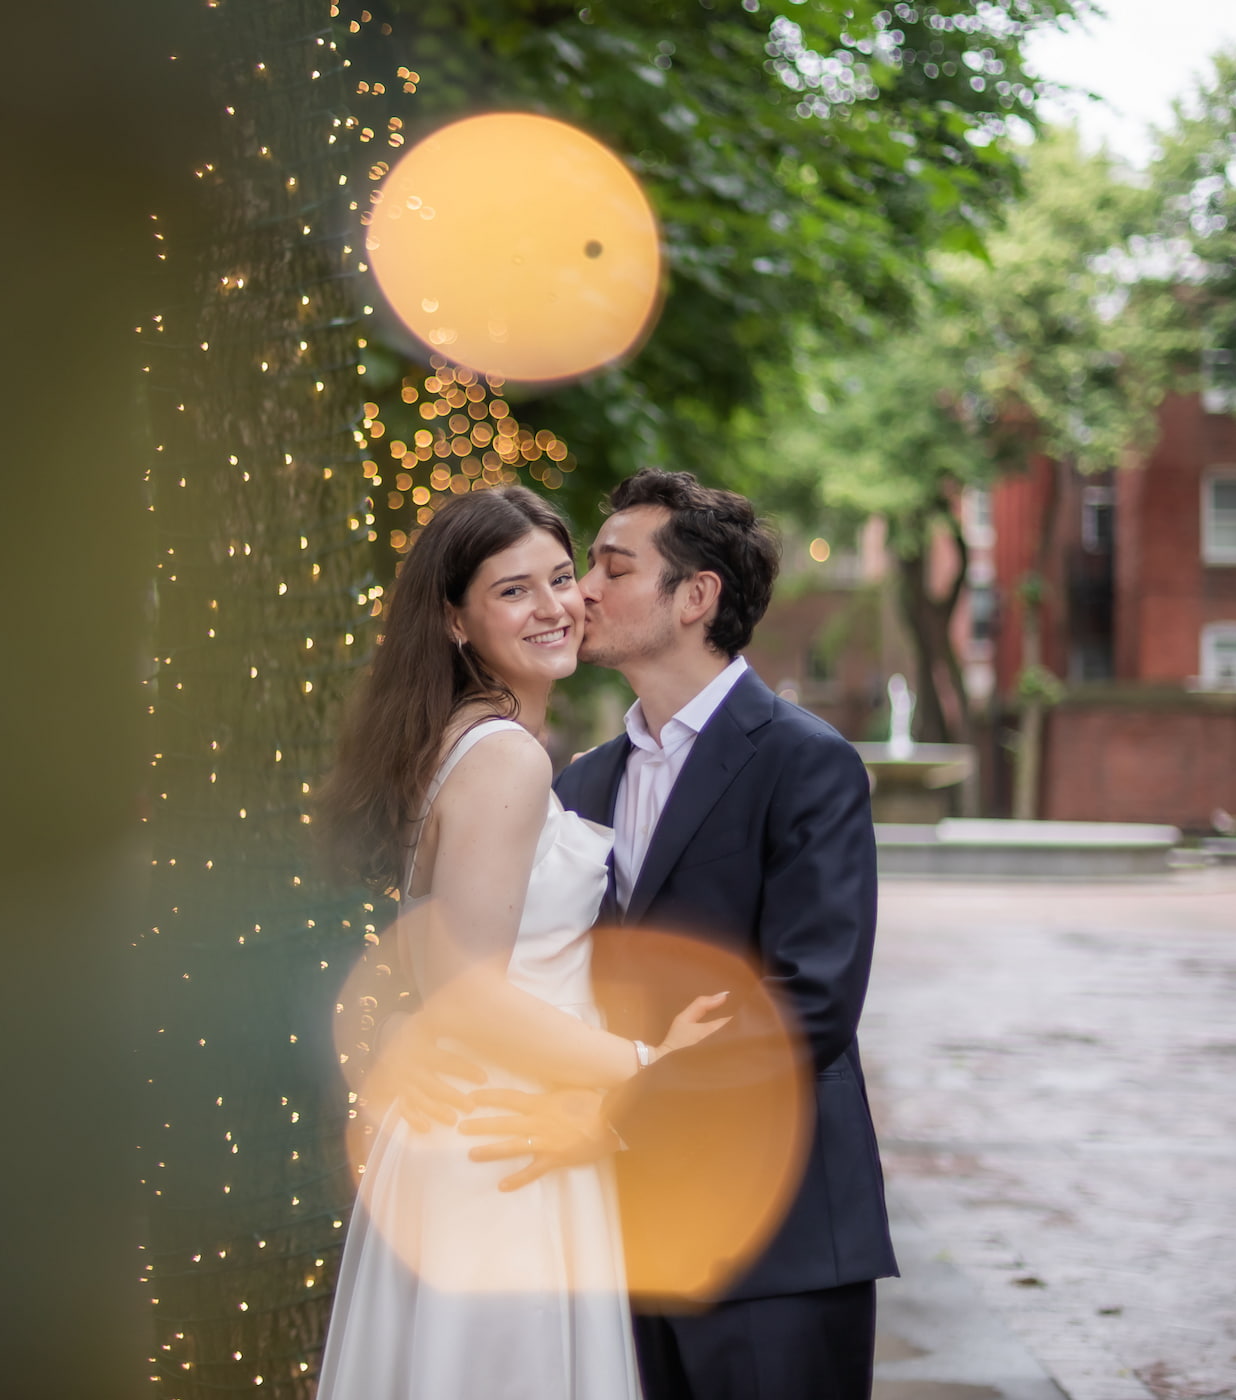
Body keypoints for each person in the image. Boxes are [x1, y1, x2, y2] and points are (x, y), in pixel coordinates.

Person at [461, 469, 899, 1400]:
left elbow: (806, 1006)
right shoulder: (579, 785)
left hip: (773, 1246)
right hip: (618, 1244)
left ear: (696, 597)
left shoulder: (807, 764)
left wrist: (610, 1112)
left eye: (612, 569)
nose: (580, 592)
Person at [314, 485, 727, 1400]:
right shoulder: (505, 756)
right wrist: (639, 1059)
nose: (554, 608)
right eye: (512, 591)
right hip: (506, 1135)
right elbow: (465, 990)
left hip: (487, 1121)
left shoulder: (469, 743)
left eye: (561, 577)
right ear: (456, 622)